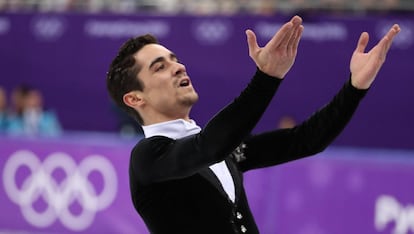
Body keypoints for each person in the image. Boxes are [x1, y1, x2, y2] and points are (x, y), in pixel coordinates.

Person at [106, 15, 400, 234]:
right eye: (160, 67)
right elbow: (209, 146)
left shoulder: (221, 149)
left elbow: (306, 140)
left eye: (174, 59)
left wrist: (355, 87)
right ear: (134, 98)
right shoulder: (148, 158)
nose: (178, 66)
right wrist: (267, 78)